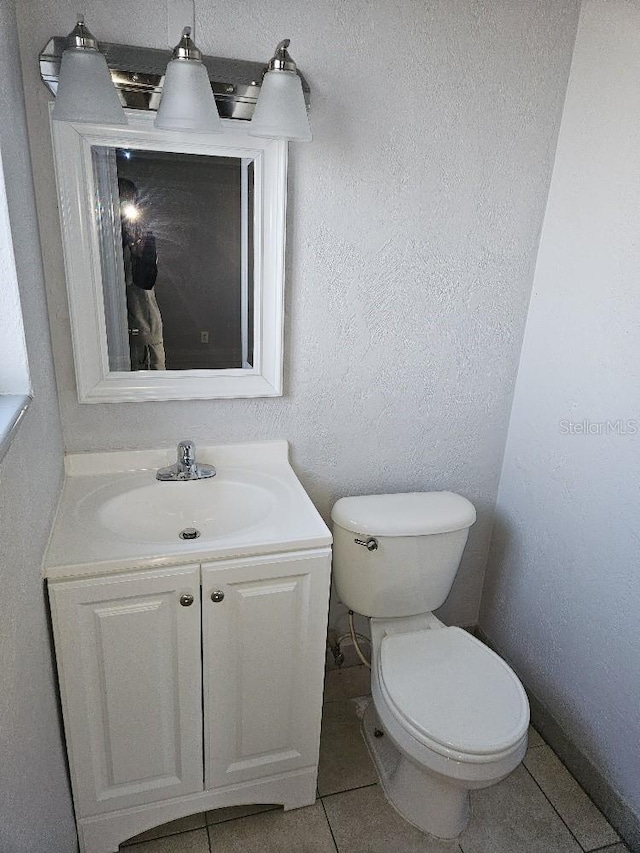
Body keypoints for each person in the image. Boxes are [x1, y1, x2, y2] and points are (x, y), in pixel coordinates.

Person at [118, 178, 166, 370]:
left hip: (144, 331)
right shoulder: (99, 238)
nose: (122, 207)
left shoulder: (143, 236)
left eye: (127, 202)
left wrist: (138, 254)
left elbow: (146, 281)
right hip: (109, 334)